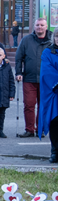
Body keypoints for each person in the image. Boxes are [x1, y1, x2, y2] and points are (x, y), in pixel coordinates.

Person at [15, 18, 52, 138]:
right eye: (37, 25)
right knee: (29, 105)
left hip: (46, 80)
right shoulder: (26, 40)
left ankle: (40, 128)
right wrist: (18, 72)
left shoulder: (52, 41)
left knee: (43, 105)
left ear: (46, 26)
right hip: (29, 78)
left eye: (42, 25)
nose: (39, 27)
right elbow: (19, 57)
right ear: (34, 26)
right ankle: (29, 129)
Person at [39, 30, 58, 163]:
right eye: (57, 36)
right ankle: (55, 151)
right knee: (55, 122)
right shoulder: (48, 52)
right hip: (55, 93)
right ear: (54, 37)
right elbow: (46, 72)